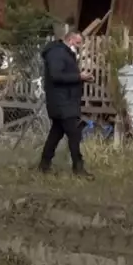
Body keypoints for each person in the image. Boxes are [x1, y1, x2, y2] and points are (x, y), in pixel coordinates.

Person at [38, 30, 93, 177]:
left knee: (56, 133)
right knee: (74, 134)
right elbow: (56, 75)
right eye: (77, 43)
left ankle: (44, 165)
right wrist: (78, 76)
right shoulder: (56, 53)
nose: (79, 46)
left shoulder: (64, 53)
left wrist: (81, 78)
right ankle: (78, 169)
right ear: (70, 40)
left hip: (64, 101)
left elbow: (64, 74)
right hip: (61, 101)